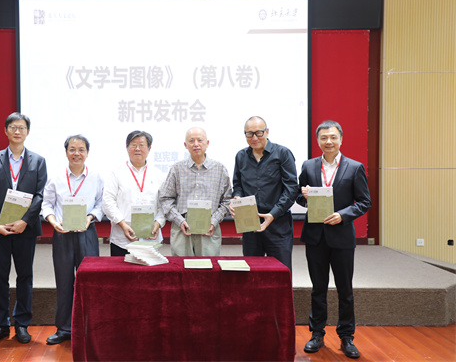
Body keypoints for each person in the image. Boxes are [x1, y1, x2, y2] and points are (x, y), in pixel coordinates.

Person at [297, 120, 371, 359]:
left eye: (333, 137)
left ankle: (346, 336)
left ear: (341, 139)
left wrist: (343, 215)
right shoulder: (308, 166)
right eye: (323, 138)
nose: (328, 142)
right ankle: (317, 333)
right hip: (315, 236)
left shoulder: (354, 167)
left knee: (345, 289)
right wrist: (304, 195)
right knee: (318, 288)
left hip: (341, 237)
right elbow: (299, 197)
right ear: (318, 140)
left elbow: (364, 202)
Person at [0, 113, 47, 344]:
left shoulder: (38, 161)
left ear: (27, 132)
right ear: (6, 130)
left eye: (21, 127)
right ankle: (1, 324)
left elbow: (40, 195)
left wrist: (25, 221)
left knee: (24, 276)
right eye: (13, 127)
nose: (17, 131)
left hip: (25, 230)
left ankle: (22, 324)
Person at [41, 135, 104, 345]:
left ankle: (89, 327)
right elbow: (47, 204)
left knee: (89, 282)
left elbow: (100, 204)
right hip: (63, 233)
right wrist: (52, 222)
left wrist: (90, 217)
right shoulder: (56, 177)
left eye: (81, 149)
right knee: (64, 281)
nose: (77, 153)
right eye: (72, 149)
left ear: (87, 152)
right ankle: (64, 328)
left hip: (87, 232)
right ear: (66, 151)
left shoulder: (96, 177)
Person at [231, 116, 299, 271]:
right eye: (249, 134)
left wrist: (272, 214)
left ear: (267, 131)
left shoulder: (282, 153)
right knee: (251, 272)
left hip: (278, 225)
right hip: (251, 225)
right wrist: (237, 198)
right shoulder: (241, 156)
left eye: (259, 133)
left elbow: (291, 189)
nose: (254, 138)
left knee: (280, 273)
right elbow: (237, 184)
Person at [159, 127, 231, 256]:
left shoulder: (220, 169)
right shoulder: (176, 169)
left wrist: (214, 221)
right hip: (182, 227)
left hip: (209, 227)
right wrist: (179, 220)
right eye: (191, 141)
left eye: (200, 140)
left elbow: (227, 201)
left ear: (207, 143)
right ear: (185, 145)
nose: (196, 144)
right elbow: (165, 199)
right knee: (181, 267)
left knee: (208, 267)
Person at [102, 130, 166, 256]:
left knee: (150, 269)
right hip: (122, 239)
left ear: (149, 148)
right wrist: (122, 224)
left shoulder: (159, 174)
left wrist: (158, 223)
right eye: (133, 145)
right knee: (121, 269)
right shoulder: (116, 173)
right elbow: (108, 201)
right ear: (127, 148)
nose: (137, 149)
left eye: (142, 145)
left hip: (150, 237)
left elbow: (164, 204)